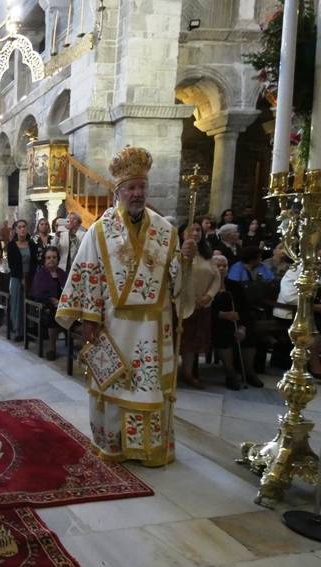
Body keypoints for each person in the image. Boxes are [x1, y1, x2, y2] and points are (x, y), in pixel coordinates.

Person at [56, 146, 197, 467]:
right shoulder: (100, 230)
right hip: (113, 325)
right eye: (131, 188)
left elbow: (175, 279)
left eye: (142, 187)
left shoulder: (165, 231)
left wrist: (186, 259)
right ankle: (114, 445)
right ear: (118, 192)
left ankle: (150, 448)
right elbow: (88, 274)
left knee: (149, 387)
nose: (137, 193)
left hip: (153, 326)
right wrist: (87, 321)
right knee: (113, 383)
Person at [176, 221, 220, 389]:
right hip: (181, 305)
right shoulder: (177, 254)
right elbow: (175, 278)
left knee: (191, 344)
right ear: (182, 234)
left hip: (202, 304)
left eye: (198, 230)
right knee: (177, 340)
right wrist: (189, 299)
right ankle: (170, 372)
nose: (195, 233)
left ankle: (188, 373)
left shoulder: (206, 255)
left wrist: (208, 296)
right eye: (191, 230)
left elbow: (216, 277)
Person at [211, 255, 265, 388]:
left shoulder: (235, 286)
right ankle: (230, 374)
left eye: (225, 266)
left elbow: (245, 308)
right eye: (218, 266)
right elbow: (205, 308)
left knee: (250, 335)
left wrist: (242, 327)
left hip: (236, 319)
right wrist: (222, 314)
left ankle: (249, 373)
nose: (222, 268)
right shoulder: (205, 285)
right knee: (223, 334)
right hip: (216, 320)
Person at [29, 247, 66, 360]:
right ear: (44, 260)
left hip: (64, 304)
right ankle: (52, 347)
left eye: (54, 257)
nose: (51, 260)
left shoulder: (61, 273)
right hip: (46, 306)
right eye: (48, 257)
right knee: (53, 315)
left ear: (58, 259)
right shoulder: (40, 274)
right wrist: (51, 299)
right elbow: (38, 292)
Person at [6, 219, 37, 342]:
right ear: (15, 230)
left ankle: (29, 328)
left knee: (29, 303)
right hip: (17, 278)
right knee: (17, 303)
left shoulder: (32, 245)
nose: (22, 229)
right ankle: (18, 329)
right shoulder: (12, 245)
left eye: (24, 226)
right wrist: (21, 278)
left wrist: (29, 277)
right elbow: (12, 264)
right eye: (19, 227)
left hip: (30, 278)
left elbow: (34, 262)